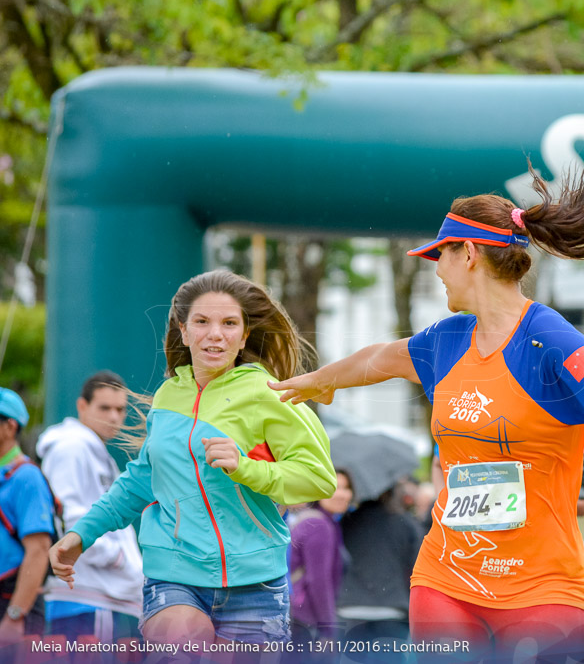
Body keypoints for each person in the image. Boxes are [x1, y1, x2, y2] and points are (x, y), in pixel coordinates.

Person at [270, 163, 584, 655]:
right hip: (446, 579)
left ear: (467, 253)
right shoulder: (445, 341)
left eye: (439, 256)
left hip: (543, 589)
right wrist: (318, 382)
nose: (436, 269)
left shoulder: (546, 338)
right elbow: (379, 359)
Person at [48, 270, 336, 646]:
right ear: (183, 331)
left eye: (229, 323)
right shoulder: (168, 396)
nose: (215, 334)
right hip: (174, 574)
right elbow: (141, 480)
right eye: (202, 322)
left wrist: (246, 468)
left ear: (244, 335)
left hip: (257, 582)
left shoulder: (268, 394)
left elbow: (318, 478)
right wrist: (81, 534)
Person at [36, 371, 144, 642]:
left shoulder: (92, 449)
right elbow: (68, 516)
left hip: (105, 594)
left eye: (120, 409)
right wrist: (118, 558)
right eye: (104, 408)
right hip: (88, 593)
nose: (113, 417)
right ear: (82, 406)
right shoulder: (71, 448)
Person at [336, 484, 424, 644]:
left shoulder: (345, 522)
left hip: (350, 606)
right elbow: (417, 567)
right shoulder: (405, 524)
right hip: (392, 608)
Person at [0, 387, 52, 644]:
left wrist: (14, 616)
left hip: (12, 605)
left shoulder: (27, 477)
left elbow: (39, 551)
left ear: (10, 427)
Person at [289, 467, 354, 643]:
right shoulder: (319, 525)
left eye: (346, 488)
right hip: (304, 619)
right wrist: (328, 629)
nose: (341, 494)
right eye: (334, 487)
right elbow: (319, 580)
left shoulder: (322, 521)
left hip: (300, 616)